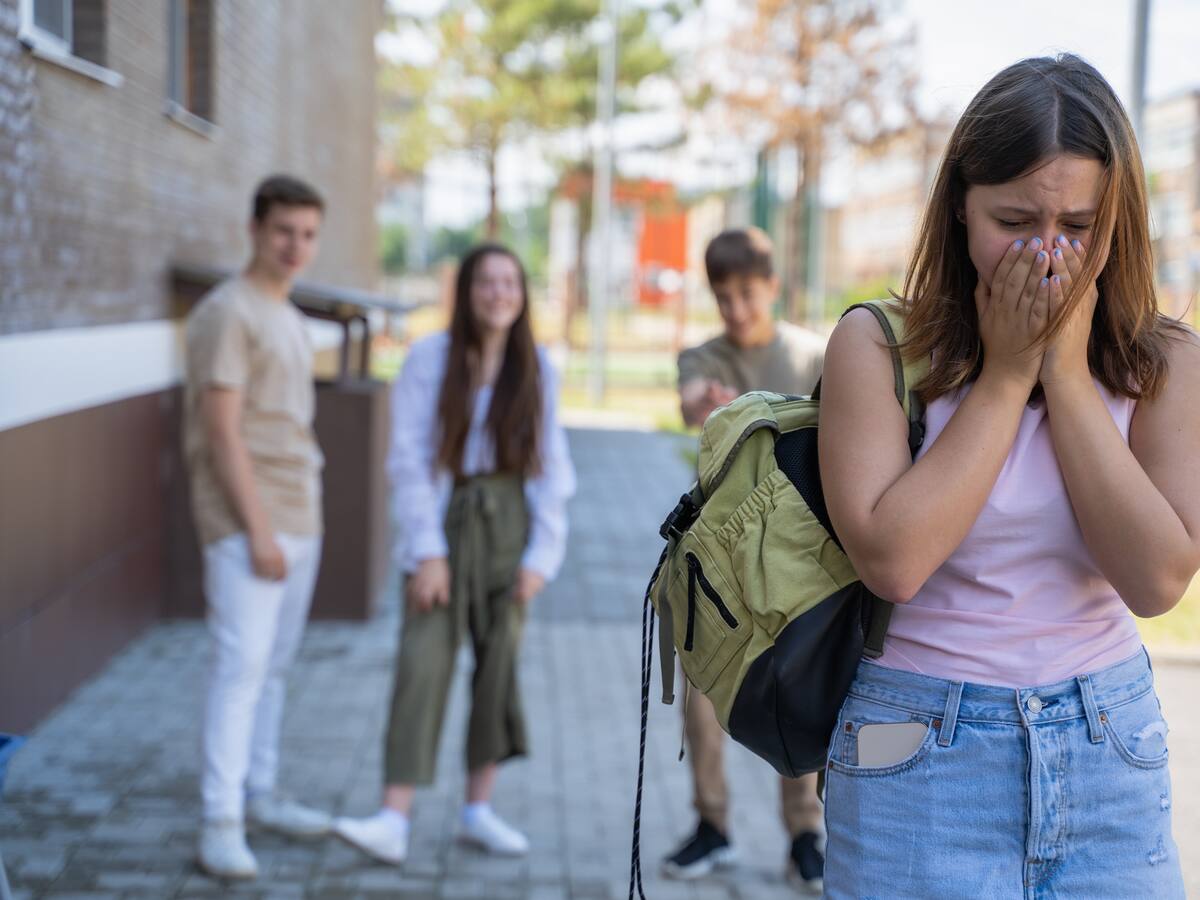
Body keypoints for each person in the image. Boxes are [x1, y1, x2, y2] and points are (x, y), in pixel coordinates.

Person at [817, 54, 1193, 898]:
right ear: (960, 205)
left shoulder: (1165, 362)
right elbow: (893, 562)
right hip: (916, 748)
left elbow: (1158, 581)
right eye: (1014, 220)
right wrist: (1007, 375)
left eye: (1079, 224)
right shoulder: (878, 347)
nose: (1048, 253)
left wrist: (1067, 378)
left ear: (1118, 222)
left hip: (1106, 747)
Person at [333, 243, 576, 866]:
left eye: (510, 282)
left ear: (522, 295)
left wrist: (541, 556)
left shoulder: (537, 366)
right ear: (466, 291)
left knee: (497, 671)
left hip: (509, 523)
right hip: (446, 518)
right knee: (422, 663)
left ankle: (477, 812)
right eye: (486, 282)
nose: (498, 293)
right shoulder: (430, 358)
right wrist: (428, 552)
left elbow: (550, 464)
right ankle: (393, 817)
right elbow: (409, 459)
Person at [664, 227, 828, 892]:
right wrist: (704, 405)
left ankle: (805, 834)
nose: (735, 309)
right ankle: (712, 825)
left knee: (801, 691)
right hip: (715, 560)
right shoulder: (702, 357)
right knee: (702, 697)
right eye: (723, 297)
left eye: (747, 294)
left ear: (772, 287)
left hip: (797, 558)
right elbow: (690, 403)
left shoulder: (812, 355)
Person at [184, 175, 332, 879]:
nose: (295, 246)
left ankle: (260, 794)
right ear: (254, 229)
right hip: (249, 521)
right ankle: (219, 823)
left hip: (300, 512)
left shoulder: (289, 315)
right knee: (239, 669)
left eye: (307, 234)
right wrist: (258, 530)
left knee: (273, 669)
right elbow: (221, 434)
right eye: (283, 231)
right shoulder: (227, 311)